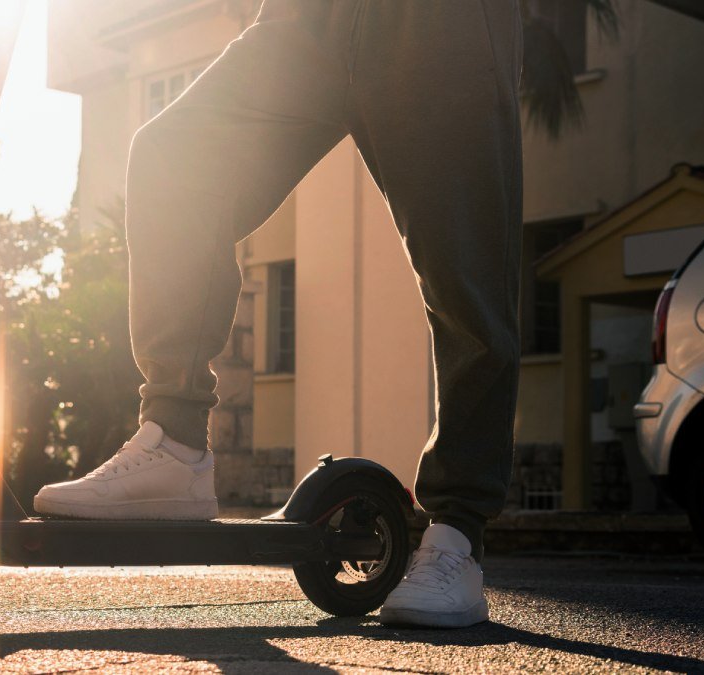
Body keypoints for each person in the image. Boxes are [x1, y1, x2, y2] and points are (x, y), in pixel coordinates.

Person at [34, 0, 522, 629]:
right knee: (173, 158)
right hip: (307, 16)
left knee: (466, 278)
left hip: (437, 24)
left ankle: (457, 534)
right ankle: (175, 444)